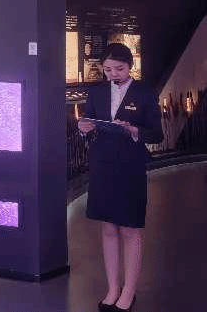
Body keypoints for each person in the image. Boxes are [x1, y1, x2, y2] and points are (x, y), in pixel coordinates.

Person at [77, 43, 162, 312]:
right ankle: (113, 288)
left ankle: (129, 291)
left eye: (119, 69)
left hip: (130, 167)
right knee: (108, 228)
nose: (113, 74)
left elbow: (157, 134)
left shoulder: (145, 92)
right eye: (108, 70)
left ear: (130, 66)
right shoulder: (97, 92)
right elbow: (89, 123)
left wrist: (134, 130)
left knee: (129, 228)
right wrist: (83, 127)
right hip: (102, 165)